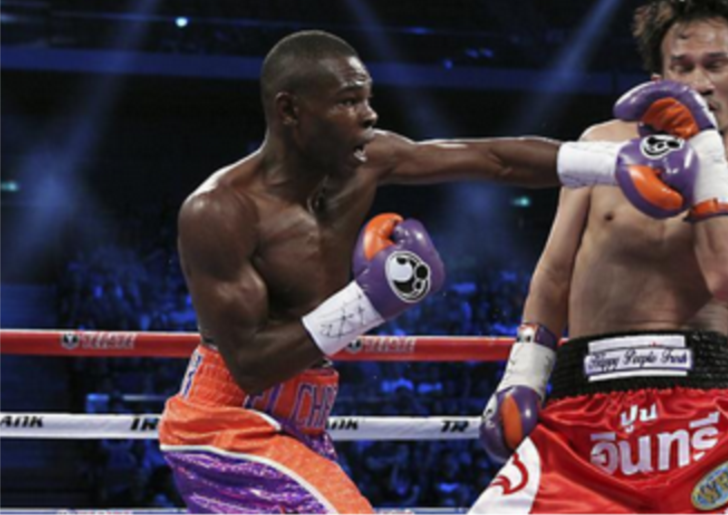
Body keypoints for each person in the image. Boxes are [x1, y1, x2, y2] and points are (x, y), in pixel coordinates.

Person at [156, 29, 691, 513]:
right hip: (224, 424)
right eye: (347, 102)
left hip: (304, 424)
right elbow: (249, 364)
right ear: (290, 111)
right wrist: (368, 303)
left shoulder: (368, 161)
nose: (368, 115)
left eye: (367, 98)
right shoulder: (221, 211)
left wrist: (612, 163)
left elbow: (492, 159)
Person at [472, 0, 728, 514]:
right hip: (585, 405)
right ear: (658, 80)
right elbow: (555, 272)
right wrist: (525, 375)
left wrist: (703, 157)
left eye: (715, 65)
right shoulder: (603, 146)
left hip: (705, 410)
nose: (699, 82)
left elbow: (727, 275)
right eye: (683, 67)